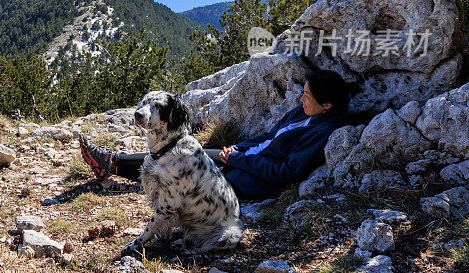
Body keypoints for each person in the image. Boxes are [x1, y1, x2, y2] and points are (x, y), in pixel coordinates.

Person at [79, 69, 353, 200]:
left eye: (307, 95)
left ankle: (111, 163)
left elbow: (285, 172)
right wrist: (237, 148)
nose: (301, 98)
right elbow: (267, 137)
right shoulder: (302, 113)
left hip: (247, 178)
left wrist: (239, 160)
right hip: (240, 159)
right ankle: (113, 161)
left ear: (327, 105)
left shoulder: (321, 131)